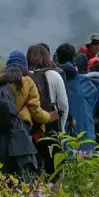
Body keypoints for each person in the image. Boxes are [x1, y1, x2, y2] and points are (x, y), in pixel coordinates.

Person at [0, 50, 57, 180]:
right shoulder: (27, 82)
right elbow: (36, 111)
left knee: (2, 176)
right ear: (25, 66)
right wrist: (49, 117)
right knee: (23, 175)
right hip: (21, 134)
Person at [27, 44, 69, 177]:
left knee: (35, 169)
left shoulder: (25, 76)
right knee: (55, 170)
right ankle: (54, 194)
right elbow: (63, 106)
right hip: (51, 128)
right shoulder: (54, 75)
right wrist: (61, 129)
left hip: (32, 129)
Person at [55, 43, 98, 153]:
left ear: (57, 58)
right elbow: (93, 105)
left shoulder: (53, 78)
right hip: (85, 136)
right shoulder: (85, 82)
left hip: (60, 137)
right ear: (74, 59)